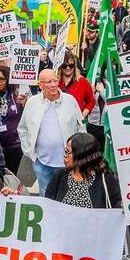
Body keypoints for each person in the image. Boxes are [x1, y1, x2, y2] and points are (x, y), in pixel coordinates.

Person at [46, 133, 121, 260]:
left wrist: (123, 207)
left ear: (82, 156)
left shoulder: (106, 180)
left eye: (68, 152)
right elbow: (46, 207)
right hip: (64, 250)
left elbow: (117, 206)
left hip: (90, 253)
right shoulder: (59, 177)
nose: (64, 156)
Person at [17, 68, 85, 196]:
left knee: (67, 197)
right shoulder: (32, 102)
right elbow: (23, 128)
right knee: (46, 197)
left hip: (67, 163)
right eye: (48, 82)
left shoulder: (70, 100)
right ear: (40, 85)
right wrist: (29, 151)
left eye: (55, 80)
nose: (53, 84)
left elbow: (81, 128)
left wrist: (78, 154)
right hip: (41, 163)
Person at [57, 51, 95, 119]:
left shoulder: (83, 82)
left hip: (77, 122)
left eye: (71, 65)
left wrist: (83, 114)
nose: (68, 68)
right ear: (60, 66)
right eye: (64, 66)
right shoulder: (55, 82)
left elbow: (91, 101)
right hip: (59, 121)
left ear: (74, 66)